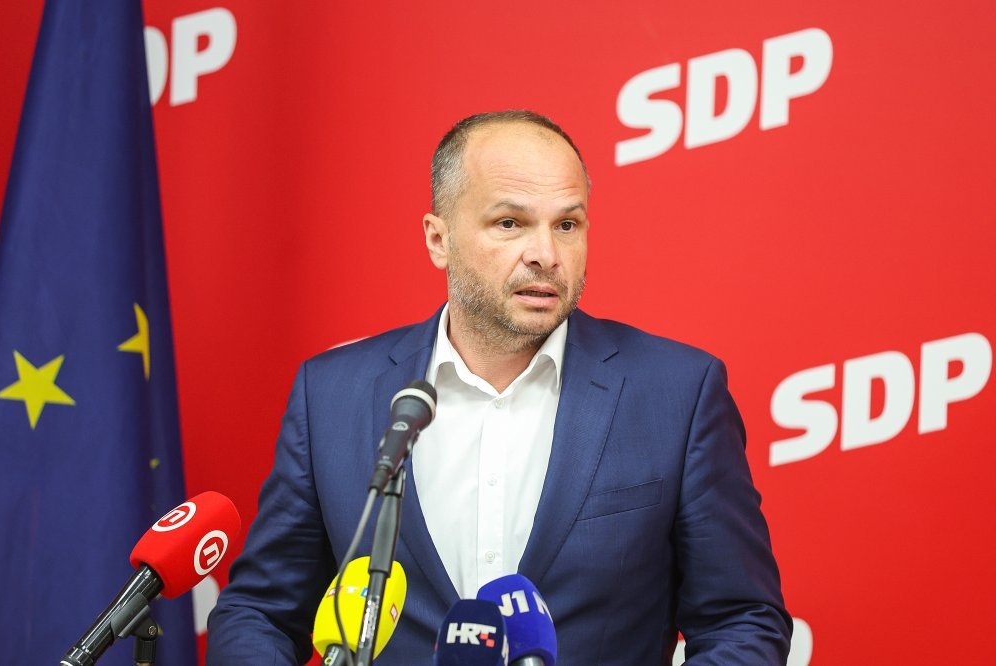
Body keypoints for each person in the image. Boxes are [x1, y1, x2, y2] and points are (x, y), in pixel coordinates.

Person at [207, 110, 791, 664]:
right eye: (510, 223)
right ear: (438, 239)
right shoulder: (333, 395)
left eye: (567, 225)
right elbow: (261, 612)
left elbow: (741, 621)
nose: (546, 255)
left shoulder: (677, 394)